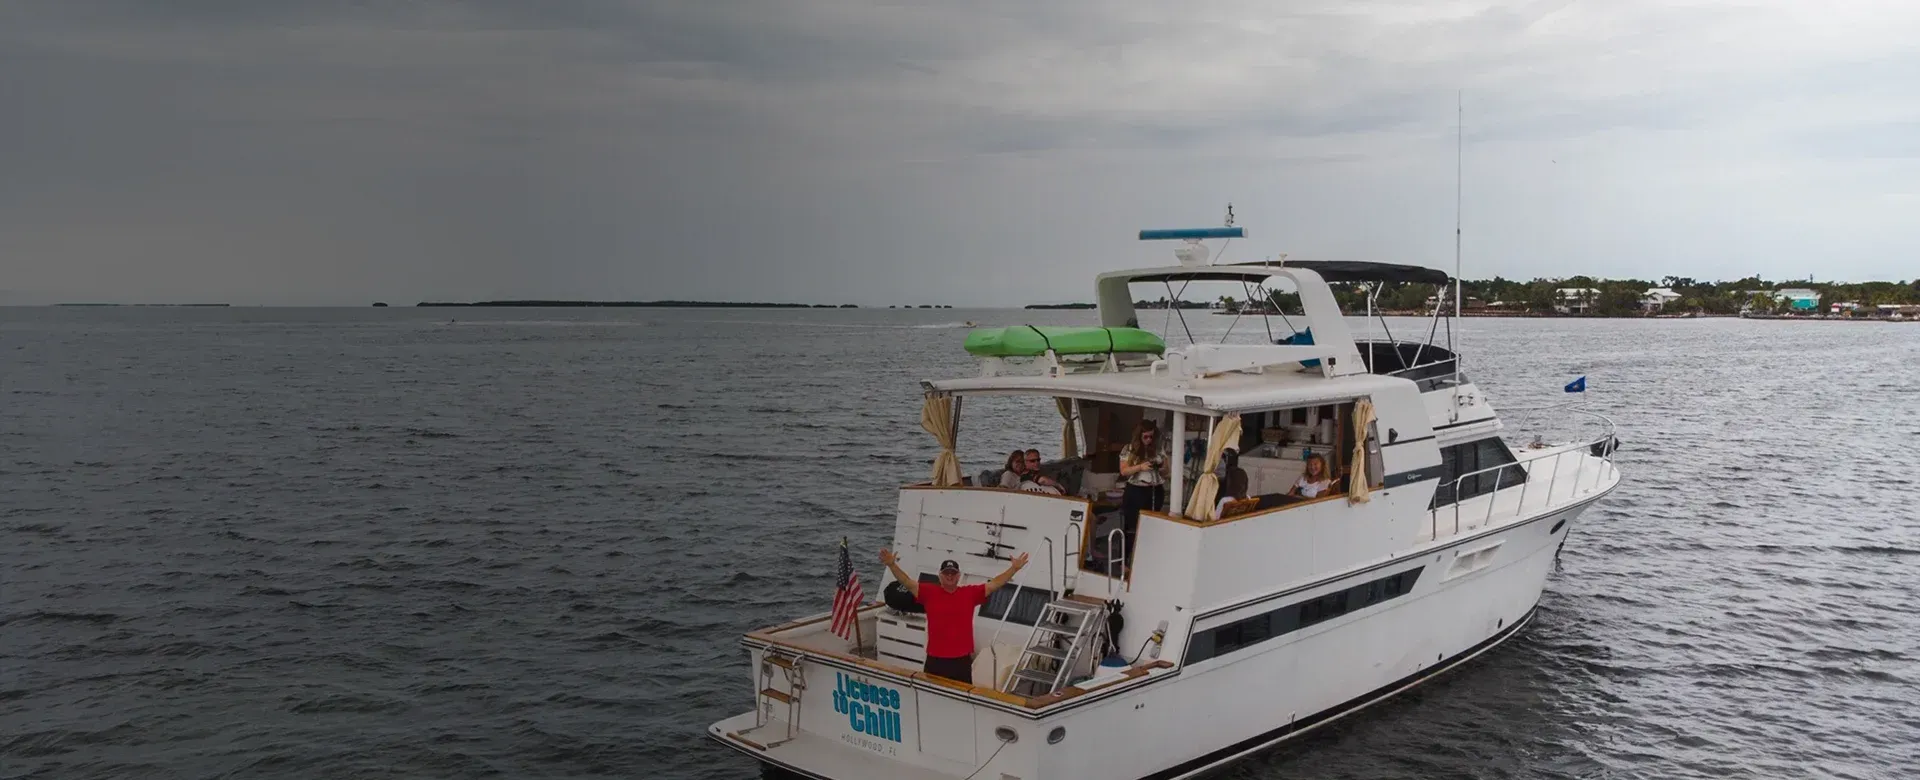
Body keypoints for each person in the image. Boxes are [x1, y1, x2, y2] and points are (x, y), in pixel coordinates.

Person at [877, 548, 1029, 684]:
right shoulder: (928, 592)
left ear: (958, 576)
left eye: (953, 573)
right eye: (946, 573)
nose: (949, 576)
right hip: (935, 660)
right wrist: (892, 565)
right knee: (931, 699)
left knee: (962, 702)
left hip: (961, 662)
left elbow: (995, 584)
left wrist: (1013, 569)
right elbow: (907, 582)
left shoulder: (969, 593)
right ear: (940, 576)